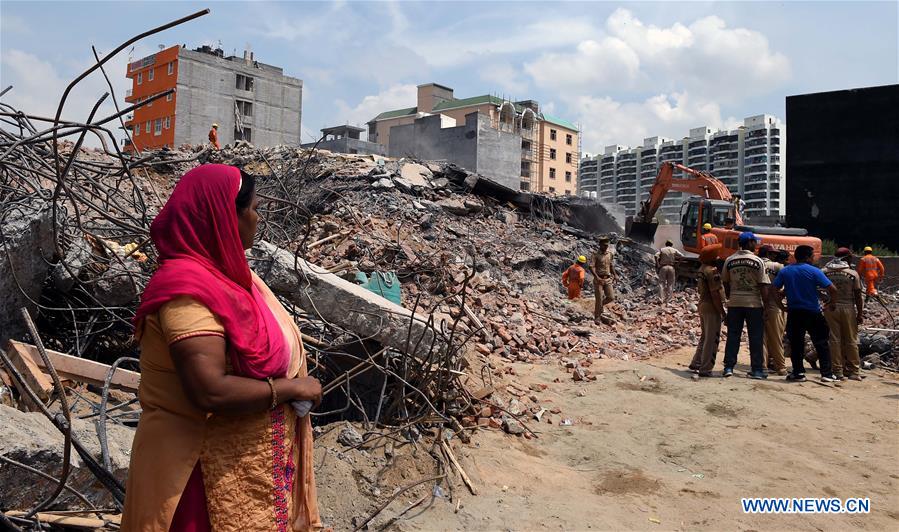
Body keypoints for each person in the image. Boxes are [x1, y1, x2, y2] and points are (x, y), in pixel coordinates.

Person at [122, 165, 322, 531]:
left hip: (242, 469)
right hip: (191, 478)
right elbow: (209, 390)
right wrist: (292, 388)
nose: (258, 219)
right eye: (254, 209)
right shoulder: (187, 292)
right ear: (226, 216)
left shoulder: (228, 276)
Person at [772, 245, 839, 383]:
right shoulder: (814, 271)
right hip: (813, 312)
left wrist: (781, 306)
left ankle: (798, 373)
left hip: (794, 312)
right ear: (808, 257)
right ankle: (826, 373)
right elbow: (833, 289)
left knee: (796, 343)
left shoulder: (786, 271)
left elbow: (774, 289)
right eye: (812, 256)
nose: (814, 258)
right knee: (821, 343)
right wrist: (831, 304)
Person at [721, 232, 770, 379]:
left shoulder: (730, 260)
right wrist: (767, 307)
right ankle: (757, 370)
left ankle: (728, 367)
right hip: (754, 304)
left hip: (735, 303)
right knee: (755, 337)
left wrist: (731, 296)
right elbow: (763, 285)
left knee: (733, 336)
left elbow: (725, 282)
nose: (756, 244)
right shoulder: (757, 261)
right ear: (749, 242)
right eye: (755, 242)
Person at [822, 248, 864, 381]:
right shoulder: (852, 274)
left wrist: (826, 300)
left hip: (831, 308)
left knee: (834, 339)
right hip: (848, 308)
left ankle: (838, 370)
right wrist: (860, 313)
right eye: (850, 257)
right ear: (846, 258)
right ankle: (854, 371)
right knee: (851, 340)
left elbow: (817, 289)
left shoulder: (824, 272)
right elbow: (858, 295)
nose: (852, 259)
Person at [688, 244, 726, 377]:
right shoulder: (712, 271)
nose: (718, 257)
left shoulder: (701, 269)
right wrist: (722, 312)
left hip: (702, 304)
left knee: (705, 337)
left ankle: (696, 362)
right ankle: (705, 368)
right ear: (711, 257)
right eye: (716, 255)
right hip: (711, 306)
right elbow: (715, 294)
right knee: (712, 338)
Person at [758, 245, 787, 375]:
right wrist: (782, 296)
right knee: (776, 337)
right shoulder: (777, 266)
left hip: (757, 303)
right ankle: (780, 366)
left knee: (761, 337)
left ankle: (762, 365)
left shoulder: (755, 264)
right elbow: (787, 284)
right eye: (773, 253)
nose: (775, 256)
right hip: (774, 304)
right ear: (769, 254)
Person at [592, 236, 617, 325]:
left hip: (608, 279)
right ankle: (597, 317)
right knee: (599, 298)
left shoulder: (610, 254)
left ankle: (600, 307)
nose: (606, 247)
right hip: (599, 279)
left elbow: (611, 265)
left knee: (611, 297)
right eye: (604, 245)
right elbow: (591, 267)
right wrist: (597, 277)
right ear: (600, 245)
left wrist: (615, 275)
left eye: (607, 245)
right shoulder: (595, 254)